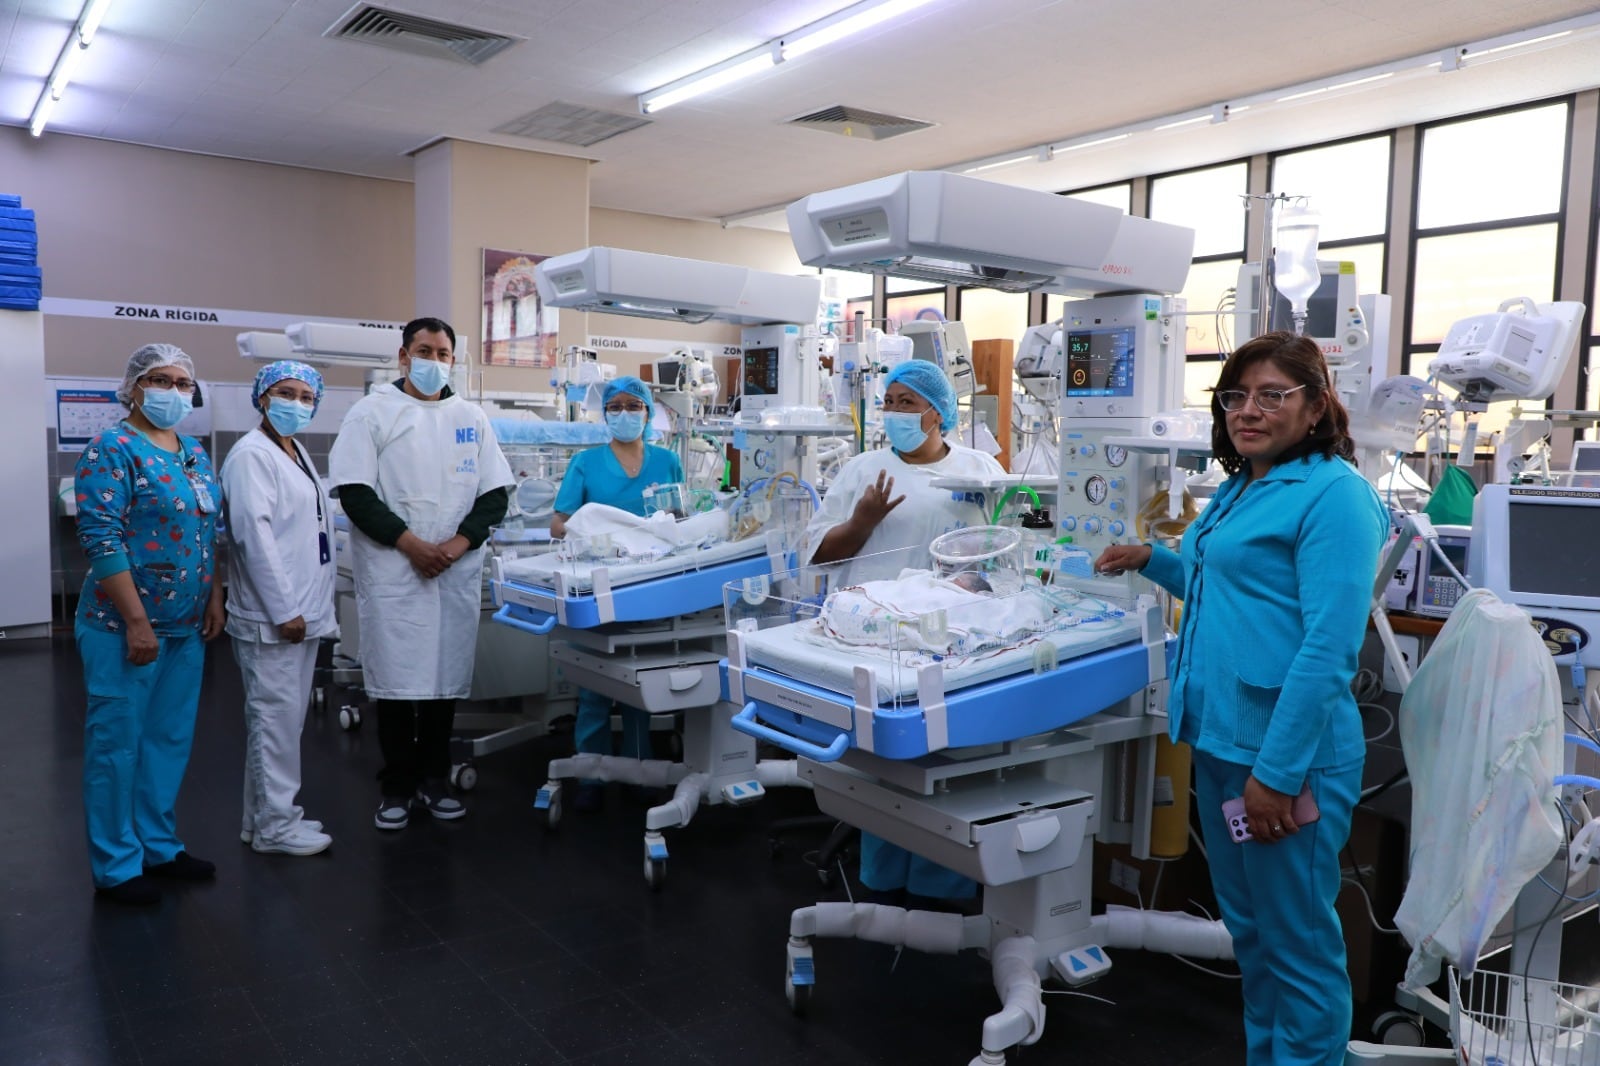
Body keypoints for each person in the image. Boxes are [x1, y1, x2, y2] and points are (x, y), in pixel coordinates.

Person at [1093, 331, 1388, 1066]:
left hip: (1286, 763)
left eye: (1271, 395)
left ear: (1316, 407)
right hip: (1224, 745)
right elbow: (1229, 589)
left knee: (1297, 943)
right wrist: (1154, 559)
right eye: (1236, 396)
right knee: (1253, 935)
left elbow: (1328, 647)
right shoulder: (1245, 486)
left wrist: (1276, 776)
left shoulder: (1335, 497)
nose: (1248, 410)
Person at [801, 359, 1003, 906]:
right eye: (888, 402)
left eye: (906, 402)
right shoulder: (862, 470)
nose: (893, 412)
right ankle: (883, 884)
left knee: (951, 760)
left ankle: (946, 887)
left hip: (954, 638)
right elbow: (817, 554)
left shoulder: (979, 470)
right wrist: (862, 521)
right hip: (877, 638)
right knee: (888, 763)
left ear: (938, 412)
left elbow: (1004, 547)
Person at [328, 317, 513, 831]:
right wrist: (411, 545)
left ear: (453, 360)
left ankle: (434, 779)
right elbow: (356, 492)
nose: (434, 361)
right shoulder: (373, 413)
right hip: (395, 567)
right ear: (404, 356)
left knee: (441, 679)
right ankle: (396, 786)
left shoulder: (470, 417)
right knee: (396, 681)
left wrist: (456, 544)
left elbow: (494, 495)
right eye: (424, 351)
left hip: (452, 569)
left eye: (443, 353)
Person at [74, 343, 224, 905]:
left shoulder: (193, 452)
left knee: (166, 741)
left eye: (183, 383)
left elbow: (207, 531)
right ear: (134, 387)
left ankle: (158, 846)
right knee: (117, 747)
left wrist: (214, 596)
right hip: (123, 628)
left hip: (185, 625)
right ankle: (116, 866)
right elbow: (101, 536)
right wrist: (137, 621)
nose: (172, 391)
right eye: (160, 380)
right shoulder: (112, 449)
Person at [549, 376, 685, 813]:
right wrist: (598, 536)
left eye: (633, 406)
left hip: (648, 587)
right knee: (593, 686)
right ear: (605, 413)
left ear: (648, 412)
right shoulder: (586, 463)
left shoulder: (667, 461)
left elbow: (681, 517)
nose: (624, 414)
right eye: (616, 406)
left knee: (640, 683)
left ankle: (639, 771)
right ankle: (591, 773)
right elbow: (558, 523)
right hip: (597, 585)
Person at [221, 361, 336, 857]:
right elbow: (254, 537)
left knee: (281, 724)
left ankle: (263, 818)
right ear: (262, 398)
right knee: (274, 724)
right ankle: (275, 828)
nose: (297, 403)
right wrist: (284, 609)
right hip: (275, 616)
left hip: (301, 610)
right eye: (286, 393)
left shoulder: (292, 450)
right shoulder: (252, 455)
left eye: (306, 397)